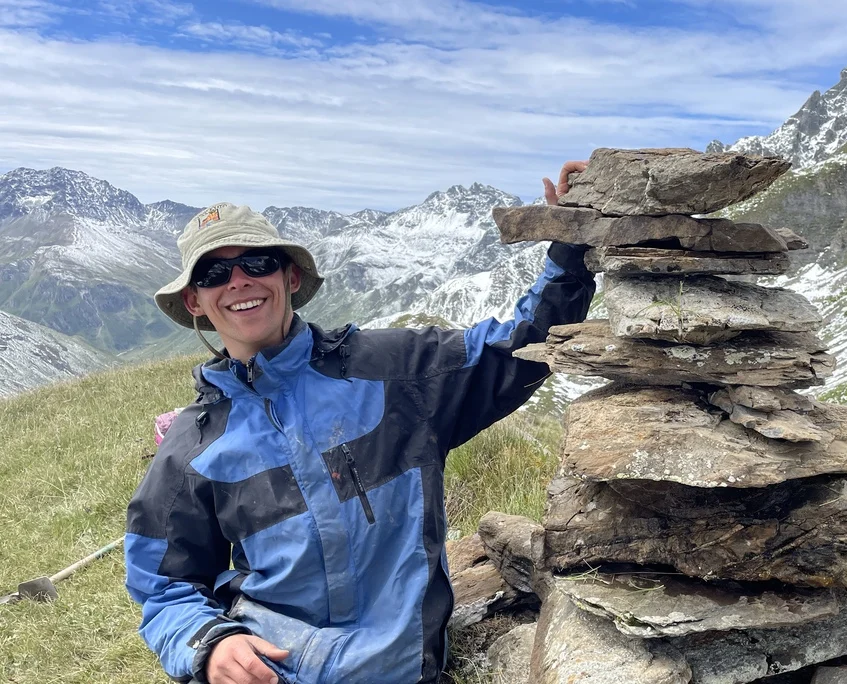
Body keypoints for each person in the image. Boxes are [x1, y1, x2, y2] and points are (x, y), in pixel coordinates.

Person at [125, 163, 595, 684]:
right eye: (213, 274)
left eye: (256, 263)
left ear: (290, 277)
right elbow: (162, 585)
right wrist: (210, 644)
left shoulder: (399, 373)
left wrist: (569, 247)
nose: (238, 281)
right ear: (195, 301)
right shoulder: (190, 445)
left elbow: (520, 348)